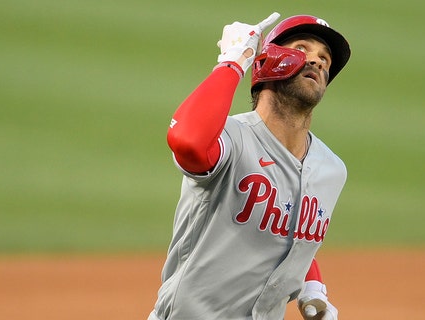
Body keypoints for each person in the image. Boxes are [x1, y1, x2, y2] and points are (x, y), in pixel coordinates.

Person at [148, 12, 351, 320]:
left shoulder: (331, 170)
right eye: (302, 48)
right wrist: (232, 63)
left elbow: (294, 225)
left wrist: (313, 285)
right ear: (268, 59)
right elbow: (188, 141)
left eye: (325, 58)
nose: (319, 61)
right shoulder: (228, 140)